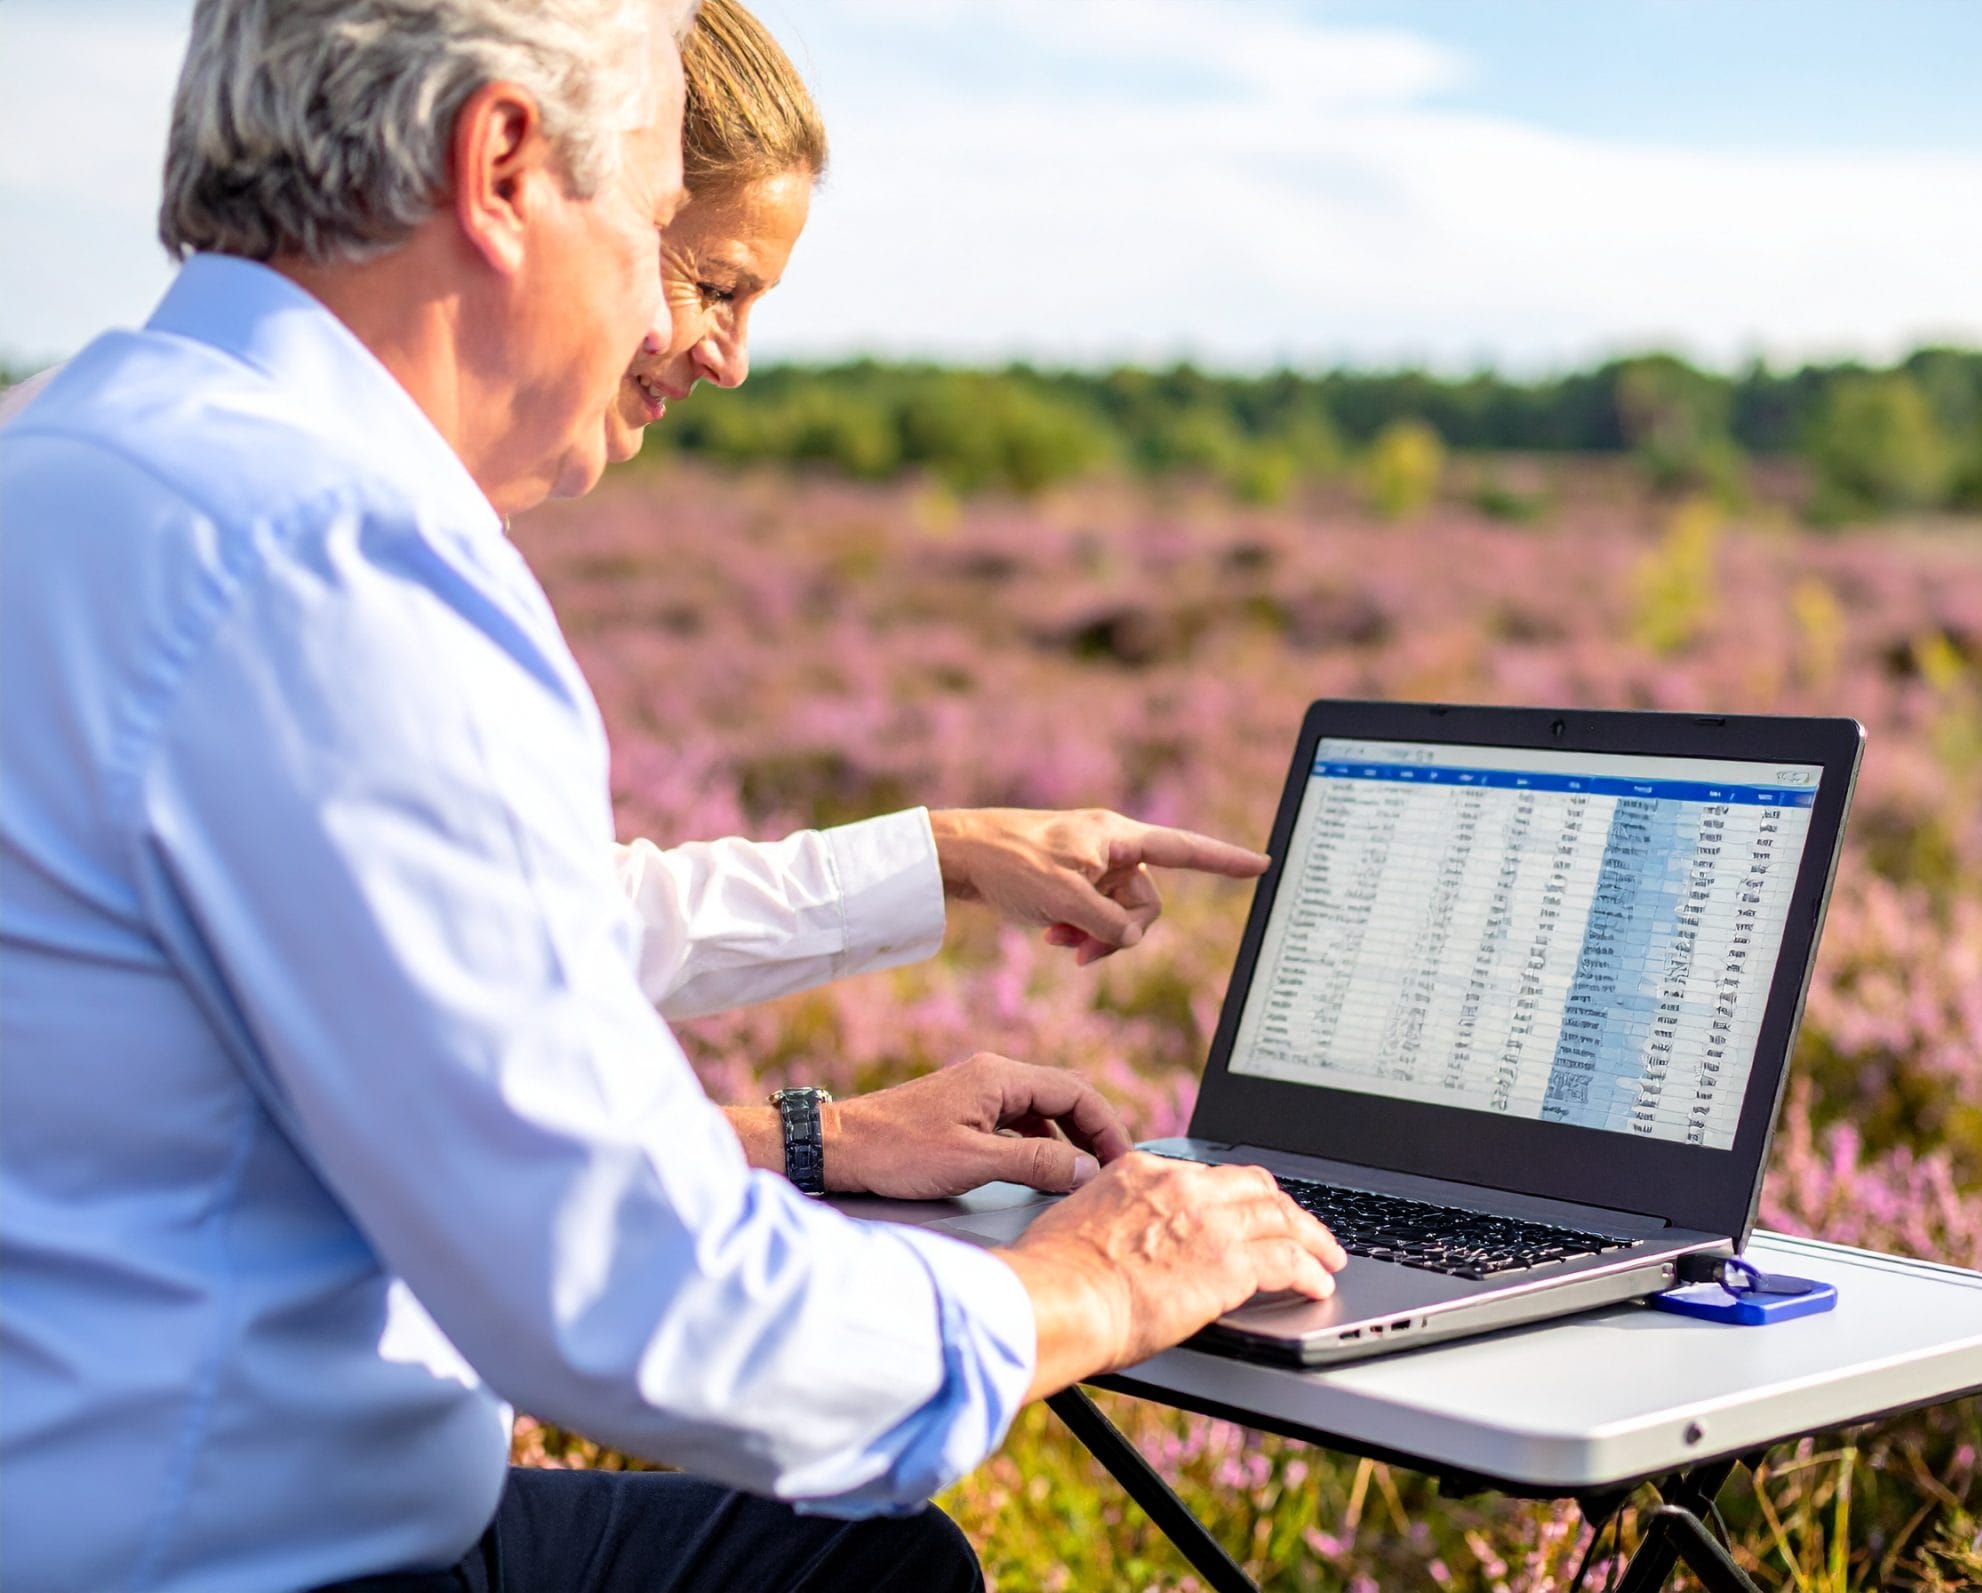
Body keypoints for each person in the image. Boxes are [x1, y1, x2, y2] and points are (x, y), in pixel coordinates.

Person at [0, 5, 1346, 1593]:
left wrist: (836, 1088)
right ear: (502, 167)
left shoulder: (74, 457)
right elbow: (638, 1299)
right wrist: (1099, 1285)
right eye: (654, 225)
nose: (681, 320)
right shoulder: (330, 565)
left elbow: (452, 946)